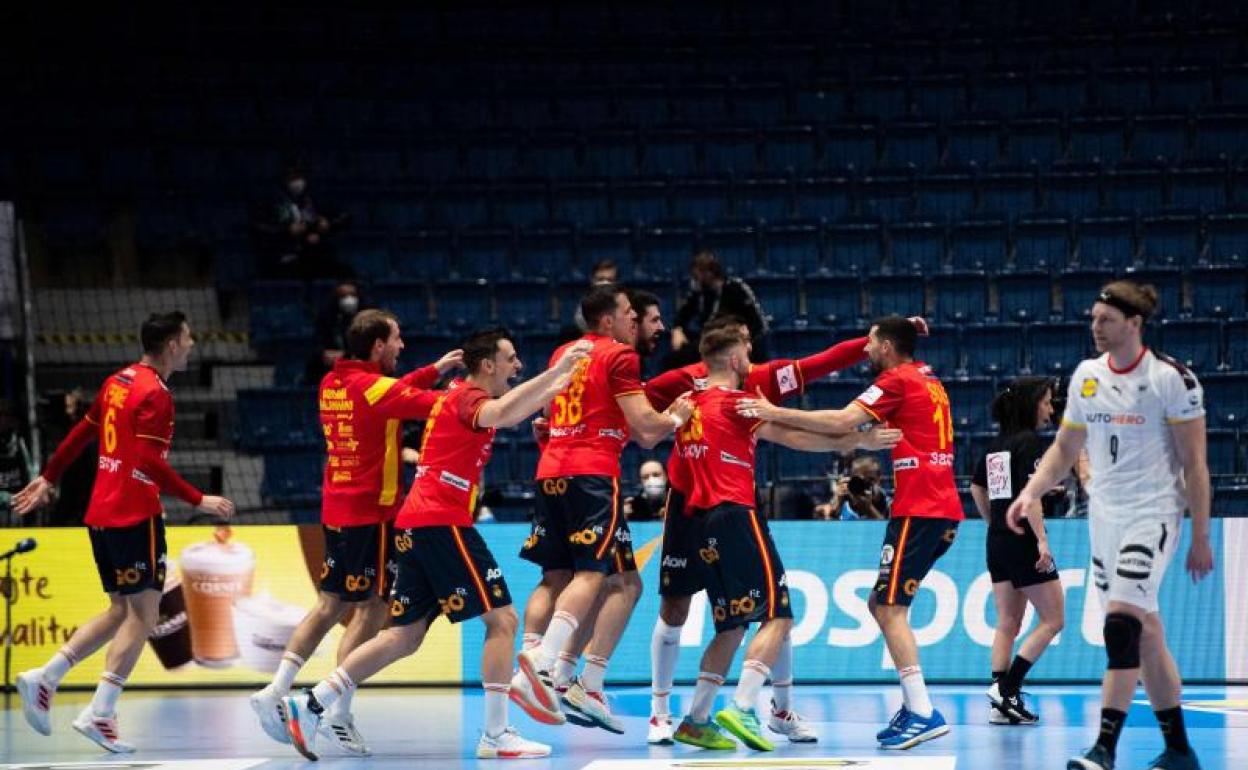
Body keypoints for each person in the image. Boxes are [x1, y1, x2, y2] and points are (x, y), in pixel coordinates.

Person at [281, 329, 593, 761]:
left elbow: (513, 409)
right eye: (511, 359)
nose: (517, 366)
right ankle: (496, 735)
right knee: (502, 621)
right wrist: (555, 372)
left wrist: (560, 380)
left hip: (417, 521)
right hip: (440, 521)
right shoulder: (469, 399)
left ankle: (310, 703)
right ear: (488, 365)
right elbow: (504, 412)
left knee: (403, 636)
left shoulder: (462, 395)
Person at [641, 312, 928, 745]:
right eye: (747, 349)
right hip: (735, 514)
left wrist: (850, 442)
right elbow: (795, 437)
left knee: (731, 625)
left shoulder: (689, 406)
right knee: (779, 614)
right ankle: (742, 709)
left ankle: (696, 720)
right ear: (735, 356)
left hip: (697, 523)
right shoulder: (736, 404)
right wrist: (858, 440)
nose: (752, 355)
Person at [1006, 281, 1213, 770]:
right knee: (1147, 633)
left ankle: (1104, 748)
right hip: (1105, 518)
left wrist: (1200, 535)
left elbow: (1196, 465)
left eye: (1106, 320)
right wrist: (1030, 491)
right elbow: (1064, 449)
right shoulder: (1086, 376)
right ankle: (1180, 750)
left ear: (1134, 324)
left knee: (1121, 627)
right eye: (1094, 318)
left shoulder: (1172, 380)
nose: (1095, 327)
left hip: (1154, 514)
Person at [11, 311, 236, 752]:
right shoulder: (157, 394)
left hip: (100, 513)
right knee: (144, 616)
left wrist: (51, 476)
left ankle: (45, 677)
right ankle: (100, 712)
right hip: (133, 515)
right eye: (187, 338)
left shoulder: (119, 381)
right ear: (172, 343)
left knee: (120, 611)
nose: (191, 345)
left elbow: (82, 433)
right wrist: (198, 499)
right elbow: (148, 463)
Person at [738, 315, 963, 750]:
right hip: (937, 508)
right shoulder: (928, 380)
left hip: (921, 510)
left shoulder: (897, 380)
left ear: (886, 345)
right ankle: (913, 706)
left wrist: (771, 411)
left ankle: (921, 712)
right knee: (880, 602)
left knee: (892, 608)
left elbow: (842, 421)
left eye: (872, 341)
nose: (866, 348)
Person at [250, 309, 463, 755]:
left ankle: (275, 690)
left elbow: (395, 392)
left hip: (335, 507)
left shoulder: (334, 382)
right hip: (372, 512)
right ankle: (336, 713)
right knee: (371, 608)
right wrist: (468, 388)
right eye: (397, 338)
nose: (403, 346)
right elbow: (435, 405)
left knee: (329, 603)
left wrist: (436, 369)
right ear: (379, 346)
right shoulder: (376, 389)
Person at [514, 283, 693, 734]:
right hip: (592, 475)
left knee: (600, 580)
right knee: (592, 576)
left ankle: (580, 681)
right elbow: (648, 426)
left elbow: (557, 414)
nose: (635, 320)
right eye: (630, 313)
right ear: (610, 319)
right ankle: (541, 664)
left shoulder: (562, 353)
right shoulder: (619, 355)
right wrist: (678, 416)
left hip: (550, 469)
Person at [970, 376, 1067, 726]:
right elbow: (1031, 497)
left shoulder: (996, 445)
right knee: (1054, 619)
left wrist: (994, 521)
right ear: (1031, 404)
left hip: (997, 540)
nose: (1050, 408)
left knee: (1008, 622)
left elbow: (977, 488)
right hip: (1023, 538)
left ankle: (1001, 701)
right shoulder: (1029, 443)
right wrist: (1041, 540)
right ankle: (1008, 688)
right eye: (1046, 401)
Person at [669, 251, 769, 367]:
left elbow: (759, 324)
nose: (695, 280)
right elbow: (682, 316)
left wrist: (742, 342)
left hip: (735, 341)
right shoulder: (699, 293)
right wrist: (677, 330)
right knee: (675, 358)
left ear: (709, 273)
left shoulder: (736, 288)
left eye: (697, 276)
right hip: (711, 342)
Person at [253, 165, 351, 281]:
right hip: (285, 257)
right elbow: (259, 227)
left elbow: (346, 216)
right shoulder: (270, 201)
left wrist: (328, 224)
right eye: (291, 178)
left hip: (316, 255)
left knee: (345, 275)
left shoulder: (316, 198)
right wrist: (287, 230)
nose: (296, 182)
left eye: (298, 177)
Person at [308, 281, 364, 383]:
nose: (349, 300)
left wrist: (345, 354)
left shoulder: (367, 319)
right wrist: (323, 353)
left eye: (352, 295)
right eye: (344, 296)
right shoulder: (326, 318)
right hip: (330, 365)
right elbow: (318, 341)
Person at [817, 455, 890, 520]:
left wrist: (869, 508)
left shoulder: (890, 504)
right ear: (852, 479)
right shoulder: (844, 498)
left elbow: (890, 532)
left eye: (870, 480)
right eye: (861, 481)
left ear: (879, 479)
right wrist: (836, 504)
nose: (865, 485)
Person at [0, 398, 34, 516]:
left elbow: (29, 468)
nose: (3, 420)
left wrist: (31, 492)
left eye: (6, 415)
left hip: (16, 503)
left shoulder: (18, 441)